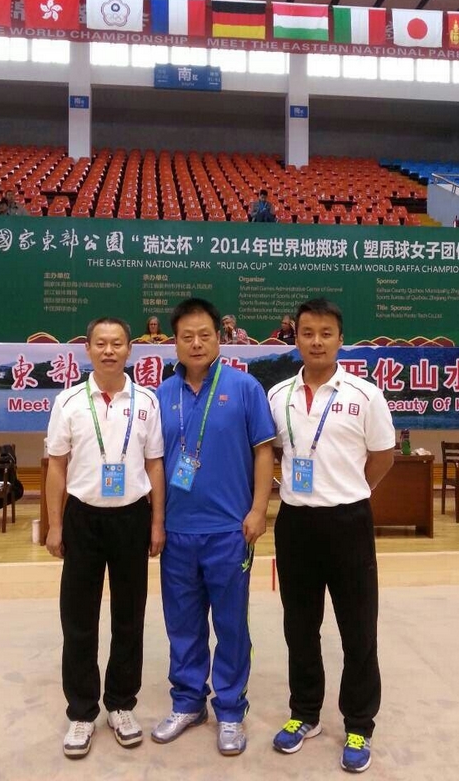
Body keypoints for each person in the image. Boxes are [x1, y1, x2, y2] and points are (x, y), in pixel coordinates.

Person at [267, 298, 395, 774]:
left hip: (348, 523)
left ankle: (359, 722)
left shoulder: (365, 395)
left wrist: (350, 490)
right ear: (295, 338)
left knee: (358, 628)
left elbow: (382, 456)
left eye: (326, 333)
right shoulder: (277, 395)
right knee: (299, 627)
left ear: (341, 339)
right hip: (295, 524)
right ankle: (305, 713)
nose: (316, 341)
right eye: (307, 333)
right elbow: (273, 452)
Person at [152, 298, 275, 756]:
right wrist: (157, 522)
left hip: (229, 531)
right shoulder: (161, 395)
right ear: (175, 343)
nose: (197, 343)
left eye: (204, 334)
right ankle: (187, 703)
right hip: (177, 532)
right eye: (187, 337)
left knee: (231, 625)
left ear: (219, 338)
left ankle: (230, 709)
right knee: (182, 624)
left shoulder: (244, 387)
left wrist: (259, 510)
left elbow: (264, 451)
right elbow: (153, 464)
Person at [45, 316, 165, 760]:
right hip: (83, 517)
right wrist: (55, 524)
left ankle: (121, 705)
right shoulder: (69, 401)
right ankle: (81, 711)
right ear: (88, 349)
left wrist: (157, 522)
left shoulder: (147, 400)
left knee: (129, 617)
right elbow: (56, 465)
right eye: (101, 343)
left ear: (130, 349)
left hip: (132, 517)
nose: (109, 350)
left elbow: (155, 464)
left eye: (117, 343)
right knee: (78, 618)